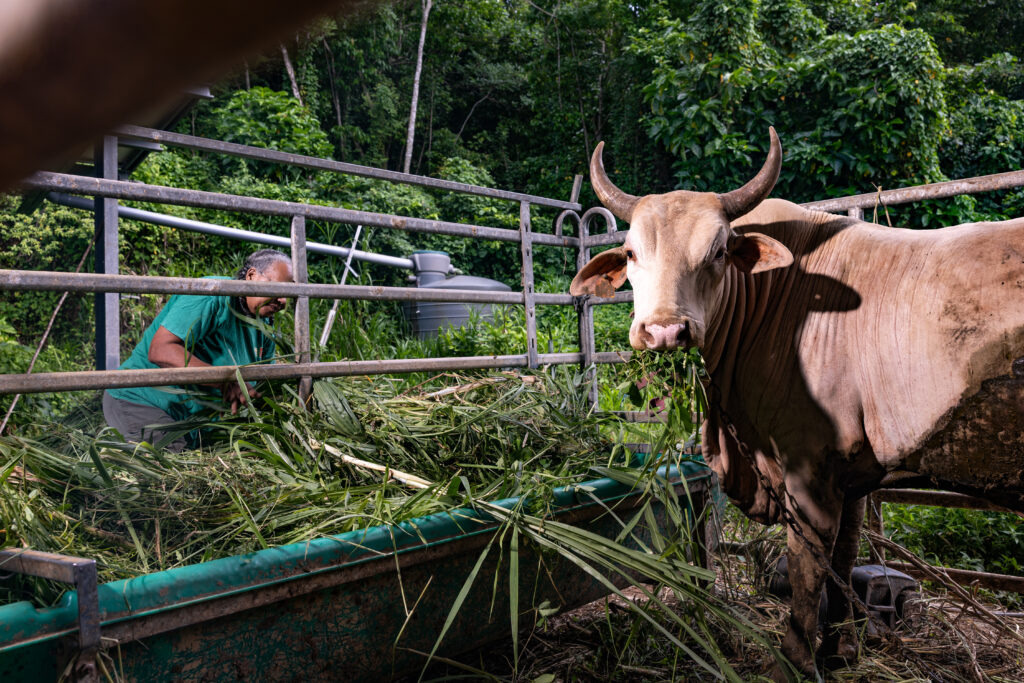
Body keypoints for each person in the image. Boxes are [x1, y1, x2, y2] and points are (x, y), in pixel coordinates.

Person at [103, 248, 293, 451]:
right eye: (277, 289)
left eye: (287, 293)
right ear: (252, 276)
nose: (282, 300)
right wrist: (225, 379)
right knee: (171, 471)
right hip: (143, 400)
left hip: (193, 420)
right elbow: (160, 350)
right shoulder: (210, 294)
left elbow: (263, 385)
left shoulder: (264, 326)